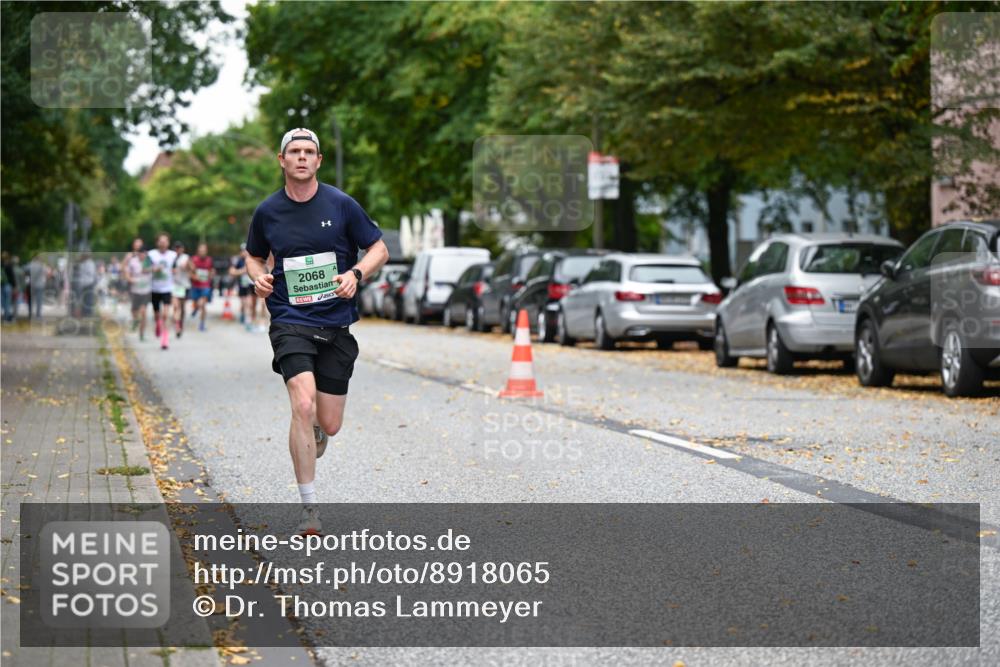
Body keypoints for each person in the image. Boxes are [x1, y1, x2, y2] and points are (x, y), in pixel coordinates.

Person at [246, 128, 388, 535]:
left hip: (335, 324)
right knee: (302, 404)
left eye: (310, 151)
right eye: (295, 152)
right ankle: (309, 509)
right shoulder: (267, 211)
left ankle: (315, 432)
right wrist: (259, 277)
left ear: (319, 161)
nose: (302, 157)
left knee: (329, 423)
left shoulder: (341, 204)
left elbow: (379, 247)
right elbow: (253, 255)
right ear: (282, 160)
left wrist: (356, 273)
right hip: (290, 320)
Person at [147, 233, 177, 350]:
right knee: (157, 314)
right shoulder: (151, 254)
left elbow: (176, 268)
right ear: (157, 243)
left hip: (167, 288)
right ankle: (157, 325)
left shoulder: (173, 255)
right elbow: (145, 268)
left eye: (165, 241)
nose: (163, 243)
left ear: (168, 243)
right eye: (161, 241)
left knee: (166, 313)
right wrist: (153, 269)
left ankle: (165, 339)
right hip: (154, 288)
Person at [126, 244, 152, 340]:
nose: (143, 256)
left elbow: (155, 270)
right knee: (134, 311)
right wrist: (131, 279)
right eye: (141, 254)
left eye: (145, 254)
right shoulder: (132, 262)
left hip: (146, 291)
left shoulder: (149, 262)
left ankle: (142, 334)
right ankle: (135, 320)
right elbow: (127, 274)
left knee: (143, 312)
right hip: (135, 290)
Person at [188, 243, 214, 332]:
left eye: (204, 250)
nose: (202, 252)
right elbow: (190, 273)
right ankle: (195, 308)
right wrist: (194, 277)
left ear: (206, 251)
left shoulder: (209, 260)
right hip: (196, 286)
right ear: (198, 251)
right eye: (200, 250)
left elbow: (212, 271)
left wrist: (211, 275)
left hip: (205, 285)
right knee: (197, 304)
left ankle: (202, 324)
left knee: (202, 304)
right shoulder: (193, 260)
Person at [172, 241, 191, 337]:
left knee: (182, 308)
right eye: (176, 248)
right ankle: (177, 326)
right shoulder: (171, 257)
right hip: (173, 285)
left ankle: (180, 323)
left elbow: (191, 268)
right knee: (176, 307)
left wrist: (187, 266)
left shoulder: (186, 258)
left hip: (184, 285)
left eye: (180, 248)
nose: (178, 250)